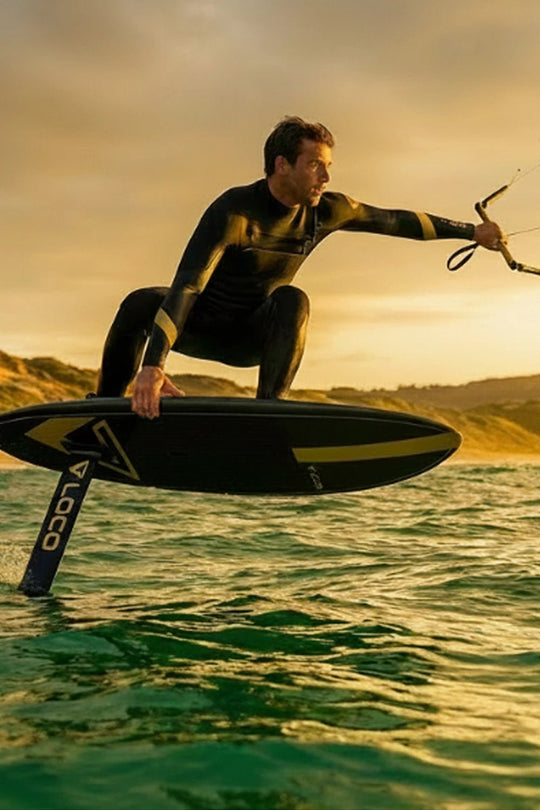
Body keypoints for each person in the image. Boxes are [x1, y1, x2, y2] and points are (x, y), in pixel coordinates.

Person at [95, 116, 504, 419]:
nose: (325, 176)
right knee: (140, 303)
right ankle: (104, 411)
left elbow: (395, 220)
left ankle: (271, 413)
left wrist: (472, 231)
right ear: (281, 165)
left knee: (293, 300)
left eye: (328, 166)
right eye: (315, 165)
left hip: (254, 338)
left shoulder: (326, 210)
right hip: (200, 327)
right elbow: (187, 286)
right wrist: (152, 367)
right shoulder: (234, 211)